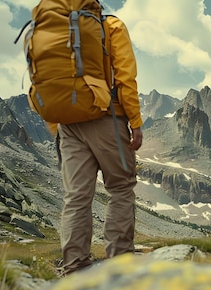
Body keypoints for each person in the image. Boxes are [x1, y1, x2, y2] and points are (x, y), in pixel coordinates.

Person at [47, 3, 143, 275]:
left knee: (76, 196)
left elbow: (45, 80)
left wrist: (56, 123)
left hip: (67, 121)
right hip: (106, 118)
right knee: (121, 188)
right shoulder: (111, 26)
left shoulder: (56, 28)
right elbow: (125, 77)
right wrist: (135, 122)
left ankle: (74, 268)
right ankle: (120, 264)